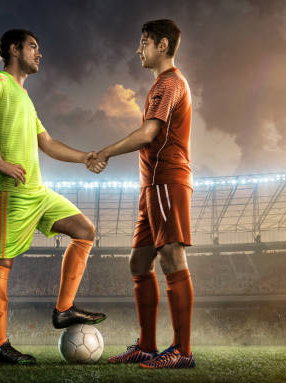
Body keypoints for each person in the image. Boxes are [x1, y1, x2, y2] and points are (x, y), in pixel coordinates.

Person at [0, 29, 106, 365]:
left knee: (84, 230)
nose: (39, 53)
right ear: (15, 49)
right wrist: (0, 162)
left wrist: (84, 157)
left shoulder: (25, 98)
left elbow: (46, 143)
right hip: (10, 193)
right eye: (33, 47)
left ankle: (63, 310)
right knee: (1, 266)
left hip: (37, 192)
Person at [89, 19, 195, 369]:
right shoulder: (161, 85)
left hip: (166, 180)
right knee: (138, 262)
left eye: (145, 42)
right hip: (151, 186)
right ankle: (147, 347)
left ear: (162, 45)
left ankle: (182, 350)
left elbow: (149, 133)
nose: (139, 49)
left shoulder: (169, 84)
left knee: (172, 259)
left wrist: (105, 151)